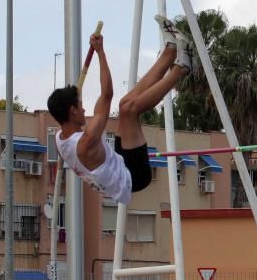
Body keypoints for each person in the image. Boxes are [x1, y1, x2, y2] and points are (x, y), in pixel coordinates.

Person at [47, 17, 193, 205]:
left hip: (117, 161)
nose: (84, 108)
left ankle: (170, 50)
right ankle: (182, 68)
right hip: (134, 175)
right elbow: (107, 94)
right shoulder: (86, 142)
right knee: (131, 110)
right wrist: (100, 52)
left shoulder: (60, 139)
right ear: (72, 111)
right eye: (80, 105)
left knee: (125, 104)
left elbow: (102, 101)